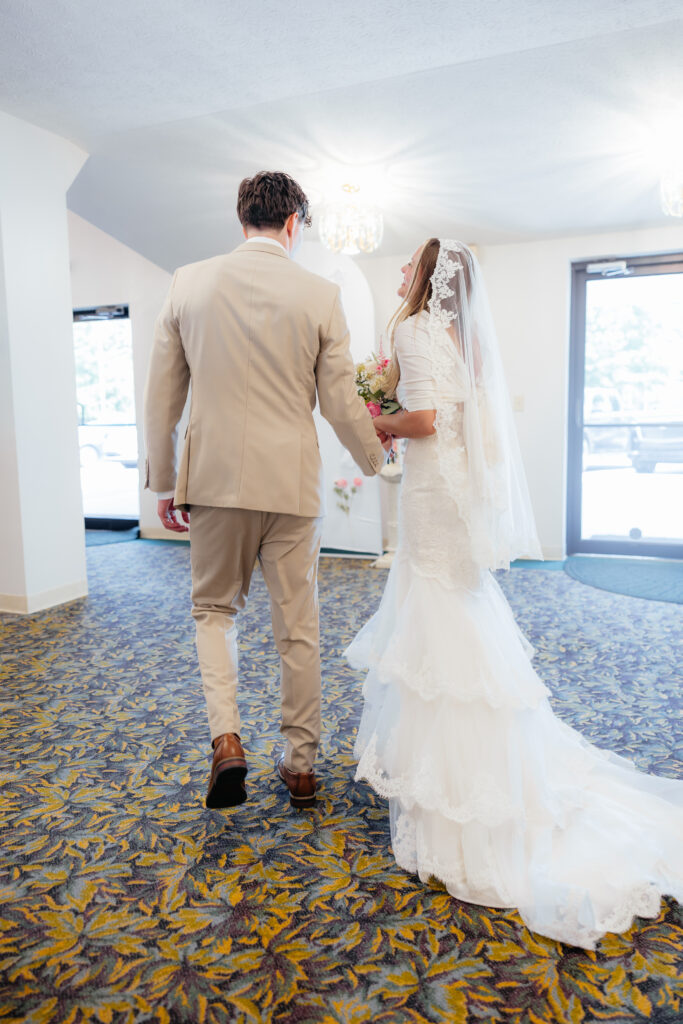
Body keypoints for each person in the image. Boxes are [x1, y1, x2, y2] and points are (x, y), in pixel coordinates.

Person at [347, 238, 683, 949]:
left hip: (433, 494)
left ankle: (457, 780)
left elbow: (426, 422)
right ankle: (476, 760)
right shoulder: (457, 336)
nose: (402, 272)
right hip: (453, 492)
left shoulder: (410, 327)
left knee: (433, 618)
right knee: (451, 611)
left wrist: (371, 419)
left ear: (432, 281)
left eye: (412, 264)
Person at [144, 171, 384, 811]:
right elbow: (338, 402)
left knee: (214, 612)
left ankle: (227, 740)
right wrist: (376, 458)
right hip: (291, 486)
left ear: (241, 218)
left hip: (214, 480)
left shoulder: (187, 283)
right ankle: (300, 765)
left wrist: (164, 482)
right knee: (296, 626)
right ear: (293, 223)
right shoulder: (320, 294)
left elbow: (163, 398)